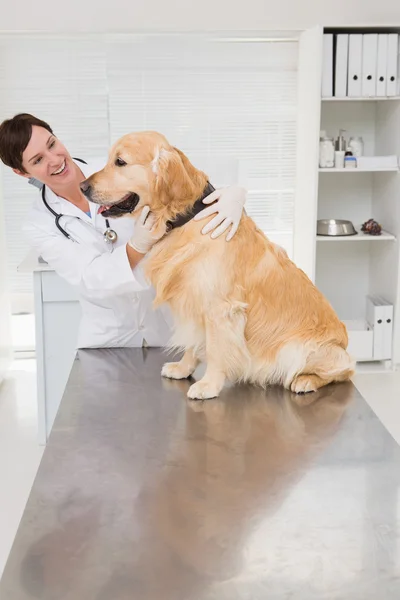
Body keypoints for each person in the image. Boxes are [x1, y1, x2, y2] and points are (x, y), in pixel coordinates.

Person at [0, 113, 248, 349]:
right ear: (22, 172)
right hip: (109, 338)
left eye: (52, 144)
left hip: (168, 327)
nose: (54, 159)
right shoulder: (38, 223)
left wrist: (231, 194)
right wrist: (137, 246)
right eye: (38, 160)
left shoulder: (116, 165)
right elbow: (90, 278)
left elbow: (181, 183)